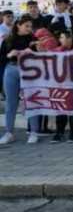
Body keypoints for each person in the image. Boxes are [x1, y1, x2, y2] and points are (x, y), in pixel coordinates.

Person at [0, 16, 39, 145]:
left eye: (30, 26)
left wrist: (33, 51)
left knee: (31, 101)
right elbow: (2, 57)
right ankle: (9, 132)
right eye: (26, 26)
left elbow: (43, 56)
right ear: (19, 25)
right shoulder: (8, 39)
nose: (29, 29)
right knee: (10, 103)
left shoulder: (33, 39)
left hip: (29, 71)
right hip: (11, 69)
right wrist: (9, 54)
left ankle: (34, 132)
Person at [51, 30, 73, 143]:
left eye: (69, 37)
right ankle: (59, 133)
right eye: (64, 37)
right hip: (60, 85)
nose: (67, 39)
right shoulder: (54, 52)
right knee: (60, 109)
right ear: (59, 39)